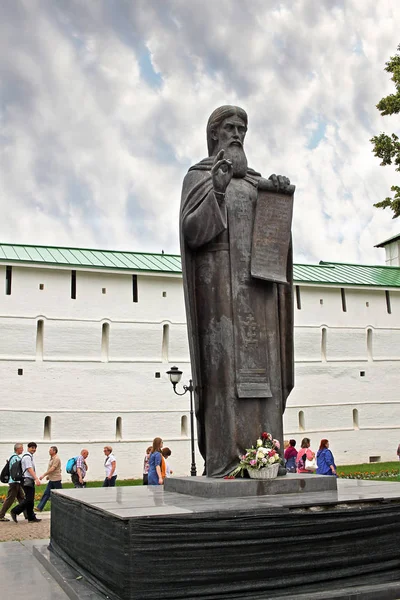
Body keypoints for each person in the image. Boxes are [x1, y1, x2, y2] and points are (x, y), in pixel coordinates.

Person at [180, 105, 294, 477]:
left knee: (266, 374)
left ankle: (266, 455)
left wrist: (276, 200)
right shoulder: (199, 177)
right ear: (214, 133)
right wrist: (217, 188)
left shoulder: (255, 183)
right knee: (226, 375)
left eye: (242, 128)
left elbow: (277, 241)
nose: (237, 133)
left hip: (259, 293)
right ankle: (229, 460)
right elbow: (193, 233)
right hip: (219, 295)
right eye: (229, 127)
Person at [10, 442, 41, 523]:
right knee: (29, 499)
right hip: (26, 480)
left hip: (28, 480)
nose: (34, 449)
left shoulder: (29, 456)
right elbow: (29, 468)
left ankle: (31, 517)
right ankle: (15, 511)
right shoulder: (27, 457)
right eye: (32, 447)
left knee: (30, 500)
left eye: (35, 448)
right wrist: (36, 478)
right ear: (28, 448)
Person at [0, 443, 26, 522]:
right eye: (21, 448)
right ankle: (1, 515)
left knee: (22, 498)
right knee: (10, 499)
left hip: (15, 482)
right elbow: (17, 470)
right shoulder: (16, 458)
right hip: (15, 482)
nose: (22, 450)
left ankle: (28, 514)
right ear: (17, 449)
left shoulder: (13, 457)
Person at [35, 446, 62, 512]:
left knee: (60, 494)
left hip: (56, 479)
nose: (49, 451)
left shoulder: (56, 458)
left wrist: (44, 475)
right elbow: (51, 468)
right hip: (52, 479)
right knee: (46, 493)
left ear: (54, 451)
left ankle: (63, 507)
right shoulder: (52, 458)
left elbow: (53, 468)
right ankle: (39, 507)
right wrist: (48, 476)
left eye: (50, 450)